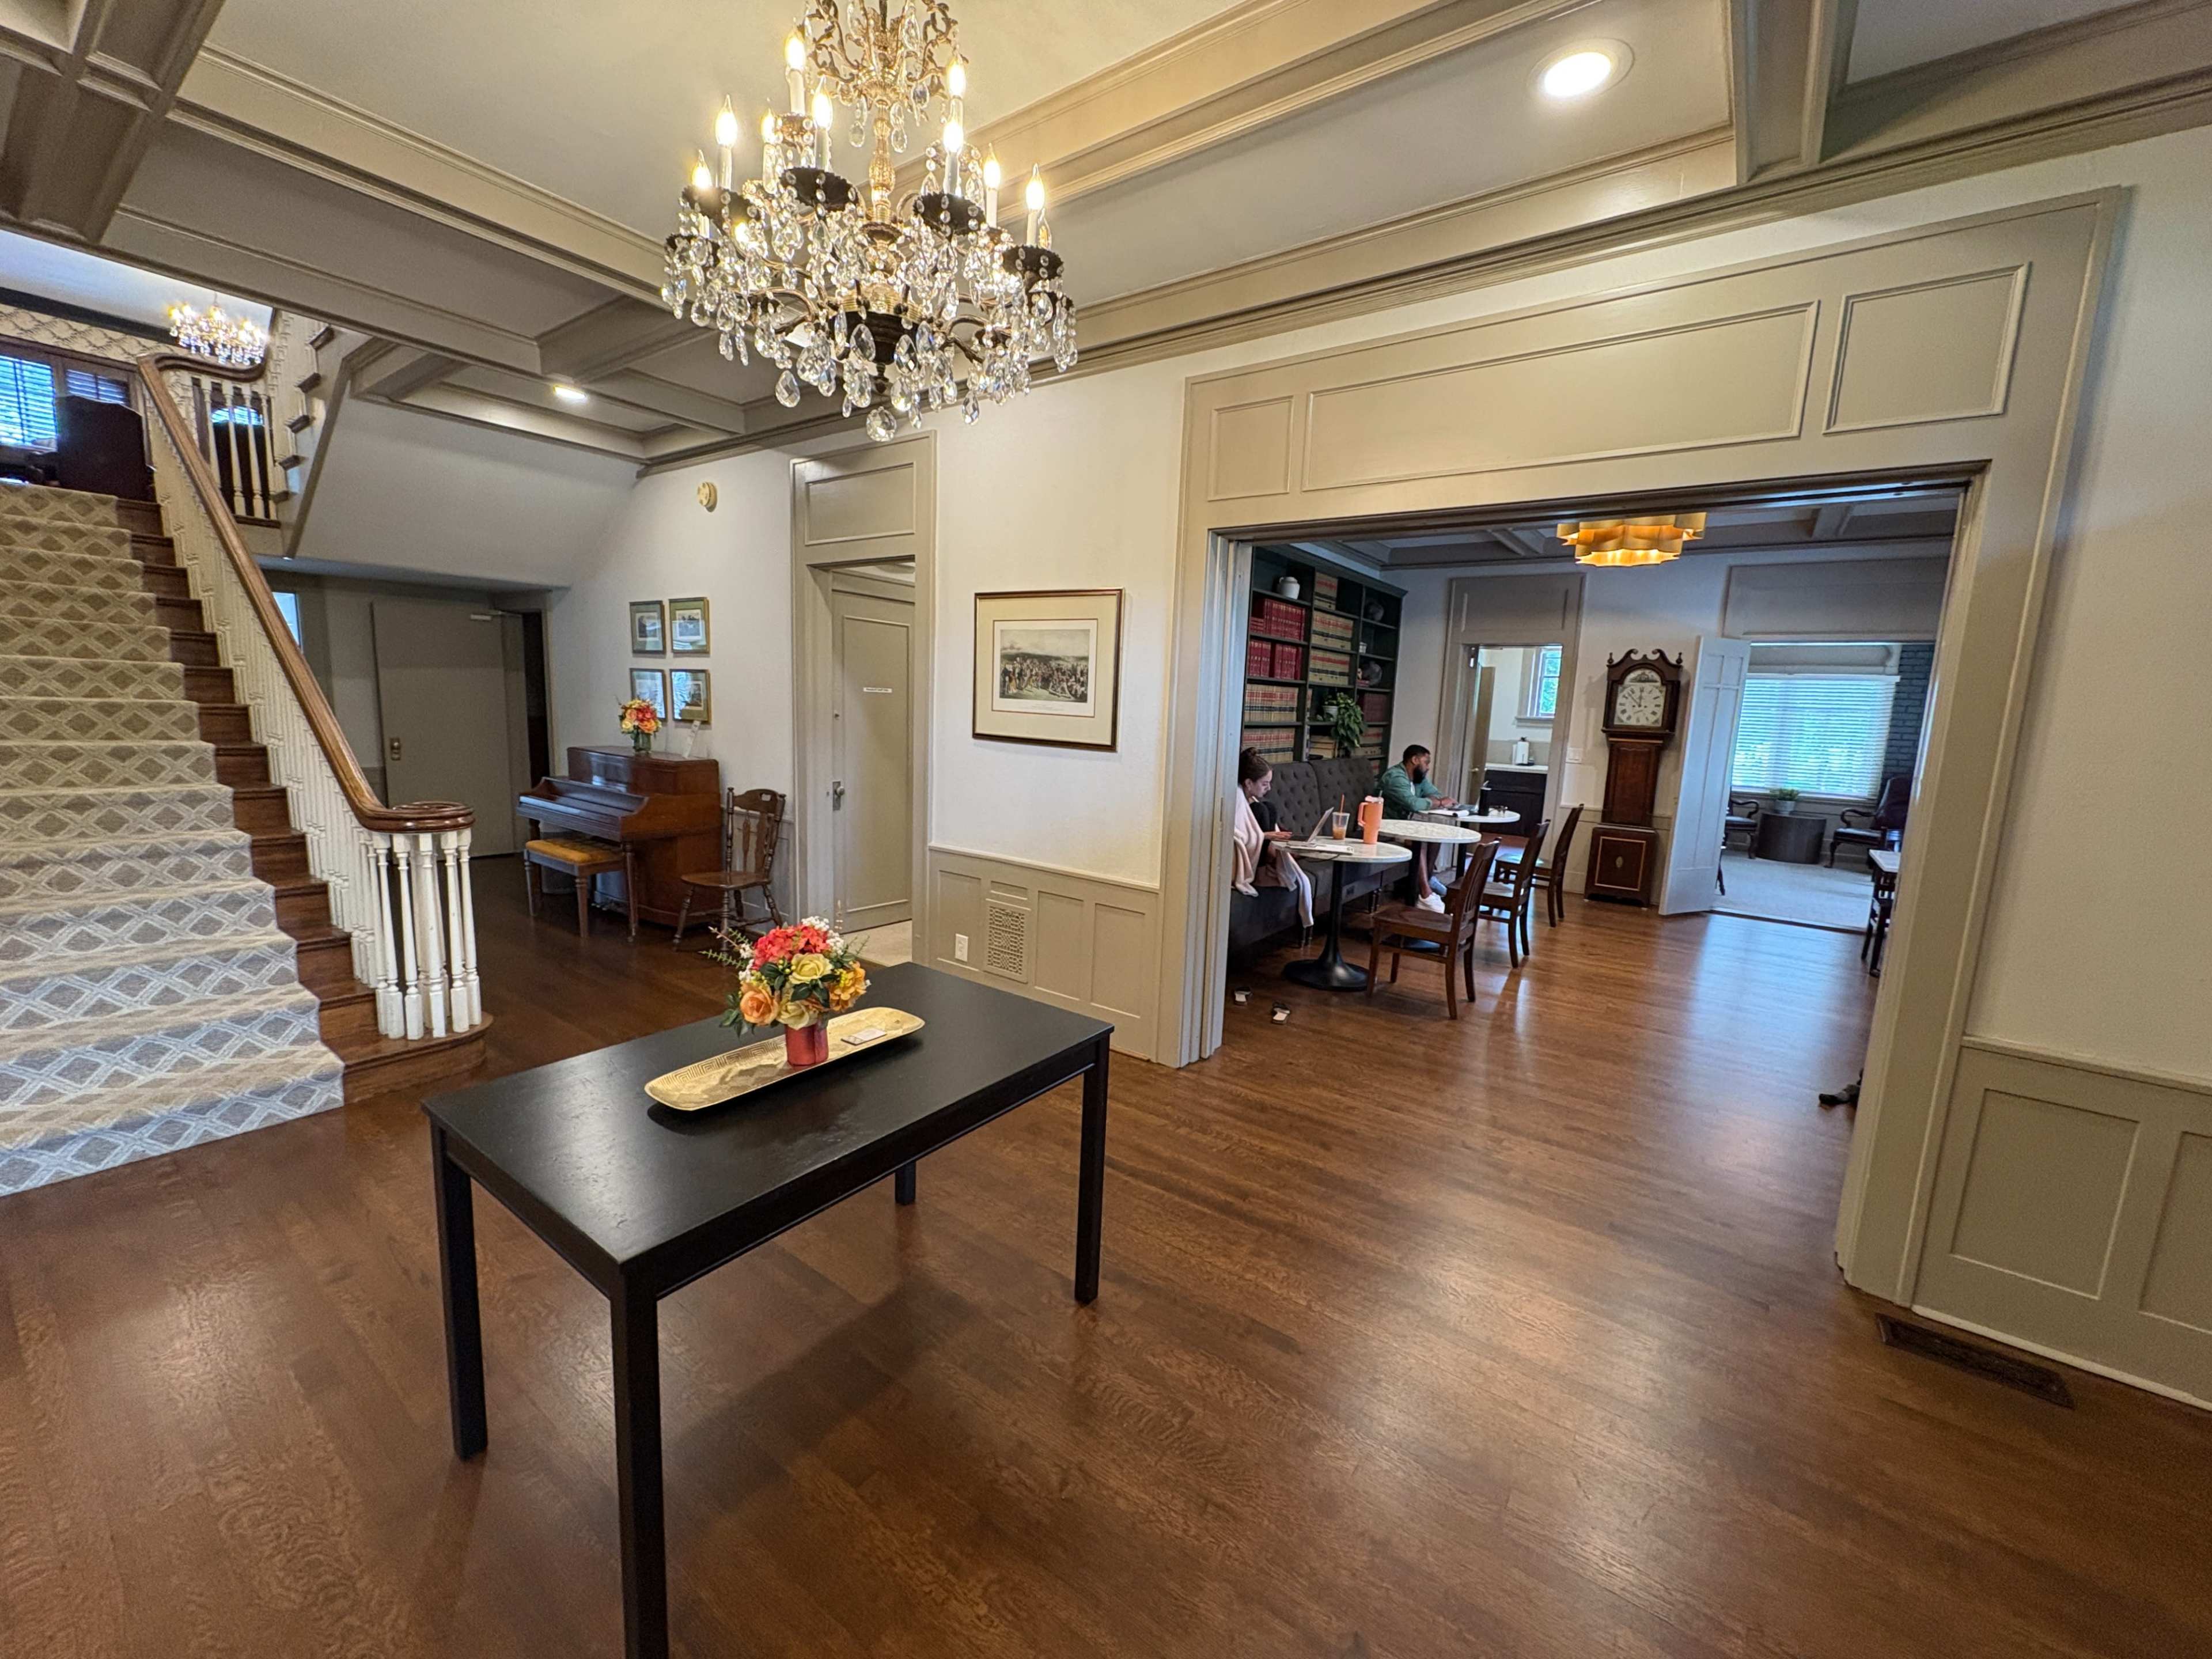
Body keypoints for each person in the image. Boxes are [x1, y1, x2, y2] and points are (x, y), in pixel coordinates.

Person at [1231, 749, 1313, 931]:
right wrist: (1266, 836)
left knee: (1268, 806)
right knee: (1262, 810)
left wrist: (1268, 835)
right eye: (1265, 784)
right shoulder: (1236, 797)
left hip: (1257, 845)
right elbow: (1236, 834)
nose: (1269, 788)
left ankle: (1275, 856)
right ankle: (1274, 858)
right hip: (1237, 855)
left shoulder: (1251, 799)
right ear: (1248, 783)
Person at [1378, 744, 1457, 911]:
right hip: (1384, 827)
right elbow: (1414, 804)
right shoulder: (1396, 777)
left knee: (1435, 835)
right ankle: (1425, 894)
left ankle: (1427, 879)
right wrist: (1441, 803)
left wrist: (1436, 800)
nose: (1428, 767)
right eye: (1426, 762)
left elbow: (1435, 794)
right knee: (1417, 841)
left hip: (1403, 826)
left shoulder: (1417, 778)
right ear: (1415, 760)